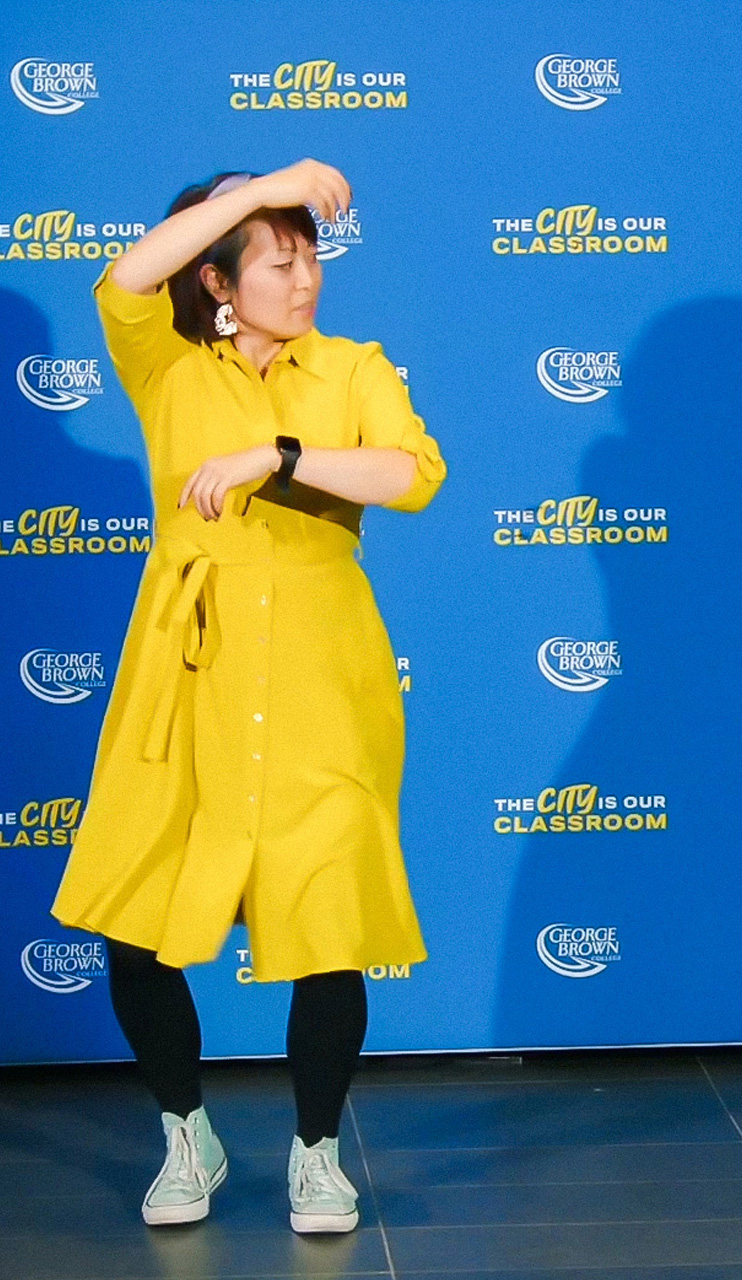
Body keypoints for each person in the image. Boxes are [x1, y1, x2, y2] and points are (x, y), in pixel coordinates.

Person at [50, 160, 446, 1230]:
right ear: (222, 280)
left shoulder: (352, 367)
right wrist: (259, 186)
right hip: (184, 676)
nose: (308, 274)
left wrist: (280, 454)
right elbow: (125, 282)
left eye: (312, 252)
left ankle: (318, 1152)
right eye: (281, 257)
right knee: (132, 923)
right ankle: (188, 1133)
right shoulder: (167, 368)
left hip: (323, 668)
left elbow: (411, 475)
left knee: (327, 923)